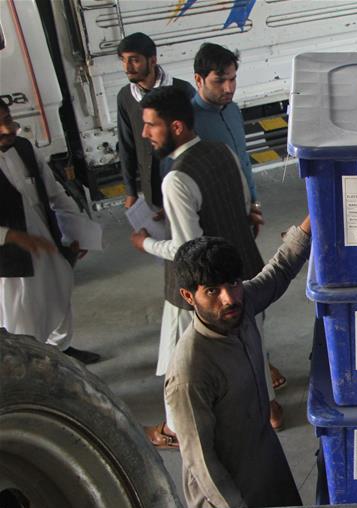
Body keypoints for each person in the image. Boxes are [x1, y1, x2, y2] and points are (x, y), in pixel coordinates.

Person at [129, 86, 268, 448]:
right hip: (243, 277)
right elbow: (240, 207)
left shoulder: (176, 179)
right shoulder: (222, 151)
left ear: (176, 126)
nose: (144, 133)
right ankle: (263, 412)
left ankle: (175, 431)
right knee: (248, 351)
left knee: (183, 364)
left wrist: (145, 243)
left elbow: (187, 250)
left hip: (203, 292)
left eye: (151, 125)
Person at [165, 220, 310, 508]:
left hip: (266, 461)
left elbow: (280, 269)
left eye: (233, 283)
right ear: (188, 296)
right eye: (212, 291)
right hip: (226, 493)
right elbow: (202, 463)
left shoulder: (239, 308)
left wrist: (314, 218)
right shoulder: (190, 372)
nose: (229, 298)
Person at [191, 42, 287, 397]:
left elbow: (243, 162)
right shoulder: (190, 122)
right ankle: (252, 377)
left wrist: (253, 203)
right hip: (216, 228)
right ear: (198, 79)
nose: (229, 88)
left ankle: (259, 360)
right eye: (220, 81)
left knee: (250, 295)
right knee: (226, 303)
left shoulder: (230, 111)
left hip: (242, 218)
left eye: (233, 79)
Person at [0, 98, 99, 364]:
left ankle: (61, 350)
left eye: (7, 120)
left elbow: (55, 194)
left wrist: (78, 231)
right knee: (22, 317)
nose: (6, 129)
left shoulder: (24, 148)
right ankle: (32, 365)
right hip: (11, 261)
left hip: (45, 242)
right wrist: (11, 236)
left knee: (60, 293)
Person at [116, 32, 194, 211]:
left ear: (152, 60)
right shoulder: (125, 97)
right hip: (152, 190)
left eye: (134, 60)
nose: (127, 67)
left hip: (183, 184)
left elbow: (197, 140)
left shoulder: (181, 91)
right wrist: (131, 191)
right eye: (123, 60)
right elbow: (126, 145)